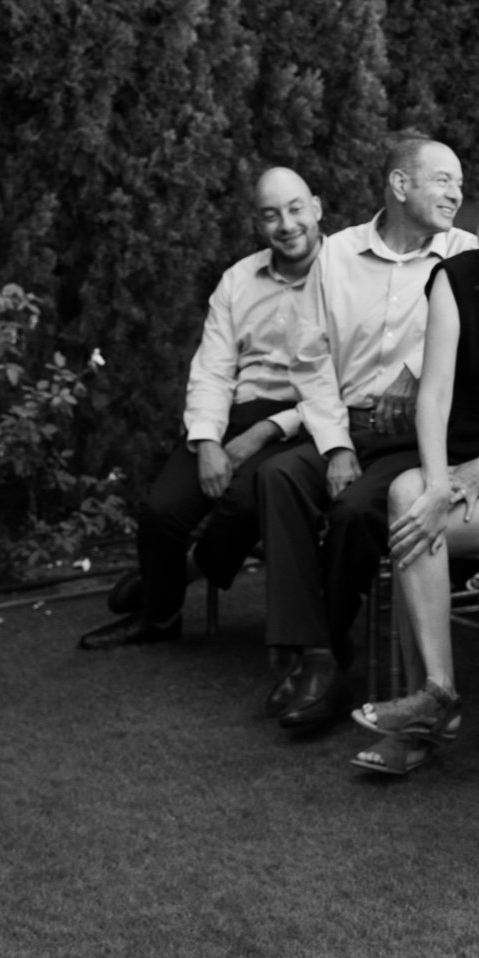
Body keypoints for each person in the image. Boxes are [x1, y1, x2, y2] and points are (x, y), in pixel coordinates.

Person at [253, 134, 478, 731]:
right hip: (341, 425)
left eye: (459, 181)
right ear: (401, 186)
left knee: (355, 512)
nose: (457, 192)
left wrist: (415, 374)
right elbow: (308, 359)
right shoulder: (336, 256)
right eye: (443, 180)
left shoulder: (467, 254)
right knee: (278, 476)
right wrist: (335, 447)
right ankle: (320, 652)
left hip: (413, 436)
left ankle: (321, 662)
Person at [349, 142, 479, 776]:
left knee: (410, 512)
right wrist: (440, 484)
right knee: (413, 498)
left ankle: (428, 710)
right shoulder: (458, 277)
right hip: (460, 470)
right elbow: (432, 398)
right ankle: (437, 692)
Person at [77, 167, 322, 652]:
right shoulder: (239, 280)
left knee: (245, 502)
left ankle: (182, 572)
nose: (287, 224)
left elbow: (350, 380)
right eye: (271, 215)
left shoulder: (347, 276)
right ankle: (159, 617)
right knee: (160, 514)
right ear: (258, 224)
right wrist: (208, 441)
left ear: (316, 208)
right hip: (237, 412)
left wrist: (265, 433)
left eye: (296, 210)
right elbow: (212, 368)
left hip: (308, 422)